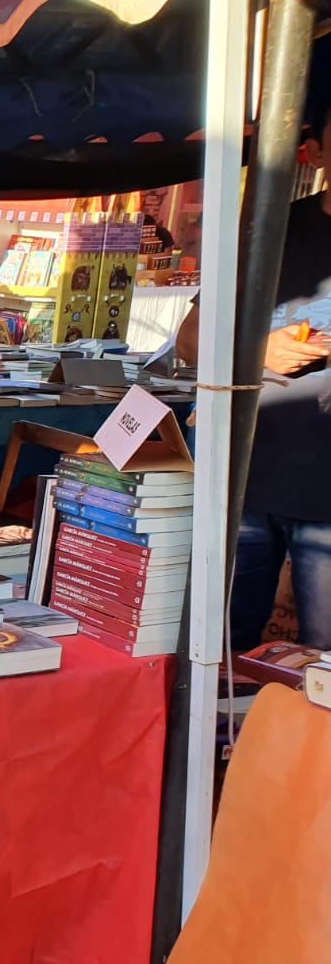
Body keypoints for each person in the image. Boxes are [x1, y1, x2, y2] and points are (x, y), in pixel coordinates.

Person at [173, 101, 331, 652]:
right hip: (246, 479)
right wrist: (258, 351)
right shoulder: (269, 231)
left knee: (323, 663)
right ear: (315, 152)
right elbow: (190, 342)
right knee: (218, 652)